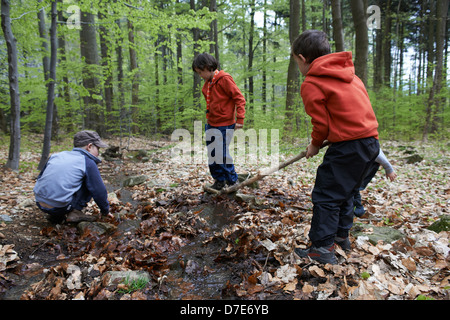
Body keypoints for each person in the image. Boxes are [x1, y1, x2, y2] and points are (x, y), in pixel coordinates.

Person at [291, 30, 380, 264]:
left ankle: (321, 248)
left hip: (348, 148)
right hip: (370, 144)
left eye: (296, 62)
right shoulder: (350, 75)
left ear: (302, 58)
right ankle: (341, 237)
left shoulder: (312, 82)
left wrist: (315, 144)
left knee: (326, 194)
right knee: (348, 191)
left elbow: (321, 123)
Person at [192, 53, 246, 190]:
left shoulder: (224, 79)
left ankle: (232, 181)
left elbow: (239, 98)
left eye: (200, 72)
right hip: (211, 123)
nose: (200, 76)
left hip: (225, 124)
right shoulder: (208, 84)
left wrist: (240, 119)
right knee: (212, 154)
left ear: (208, 67)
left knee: (221, 153)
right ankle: (219, 180)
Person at [34, 130, 110, 224]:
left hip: (39, 202)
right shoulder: (87, 162)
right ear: (89, 146)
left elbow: (40, 177)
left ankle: (56, 216)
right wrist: (105, 211)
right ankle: (75, 212)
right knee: (90, 181)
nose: (98, 153)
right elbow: (99, 191)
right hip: (60, 207)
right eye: (98, 149)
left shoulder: (57, 155)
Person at [353, 149, 397, 217]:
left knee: (355, 187)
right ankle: (356, 208)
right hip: (358, 163)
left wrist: (389, 169)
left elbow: (377, 153)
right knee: (353, 187)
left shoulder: (367, 141)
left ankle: (357, 208)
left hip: (369, 164)